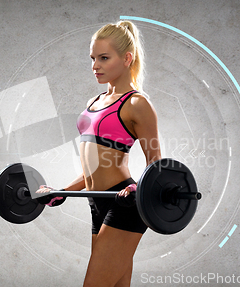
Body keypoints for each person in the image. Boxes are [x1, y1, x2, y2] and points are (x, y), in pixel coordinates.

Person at [37, 20, 161, 287]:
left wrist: (138, 189)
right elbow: (91, 170)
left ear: (127, 58)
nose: (95, 66)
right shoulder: (93, 102)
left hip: (125, 203)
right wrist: (63, 190)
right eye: (93, 58)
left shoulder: (137, 104)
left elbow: (157, 165)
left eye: (104, 58)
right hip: (97, 201)